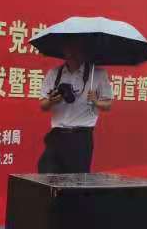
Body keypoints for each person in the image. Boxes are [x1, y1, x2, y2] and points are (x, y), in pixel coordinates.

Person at [36, 38, 113, 173]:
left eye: (76, 48)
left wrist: (96, 101)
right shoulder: (54, 73)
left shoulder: (98, 74)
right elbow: (43, 105)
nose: (72, 52)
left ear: (84, 51)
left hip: (80, 137)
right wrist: (51, 101)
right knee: (46, 175)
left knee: (76, 181)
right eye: (68, 48)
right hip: (57, 135)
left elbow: (108, 105)